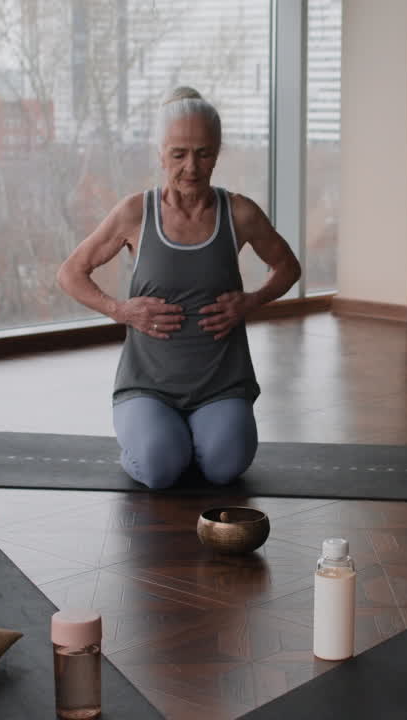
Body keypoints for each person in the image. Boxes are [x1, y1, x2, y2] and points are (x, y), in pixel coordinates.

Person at [57, 87, 301, 489]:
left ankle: (189, 441)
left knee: (225, 467)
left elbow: (287, 267)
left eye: (204, 153)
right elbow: (70, 273)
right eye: (179, 154)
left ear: (217, 152)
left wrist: (251, 301)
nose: (192, 166)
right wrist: (121, 310)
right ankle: (159, 443)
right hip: (148, 387)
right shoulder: (136, 212)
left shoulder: (239, 212)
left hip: (221, 385)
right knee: (159, 468)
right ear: (160, 154)